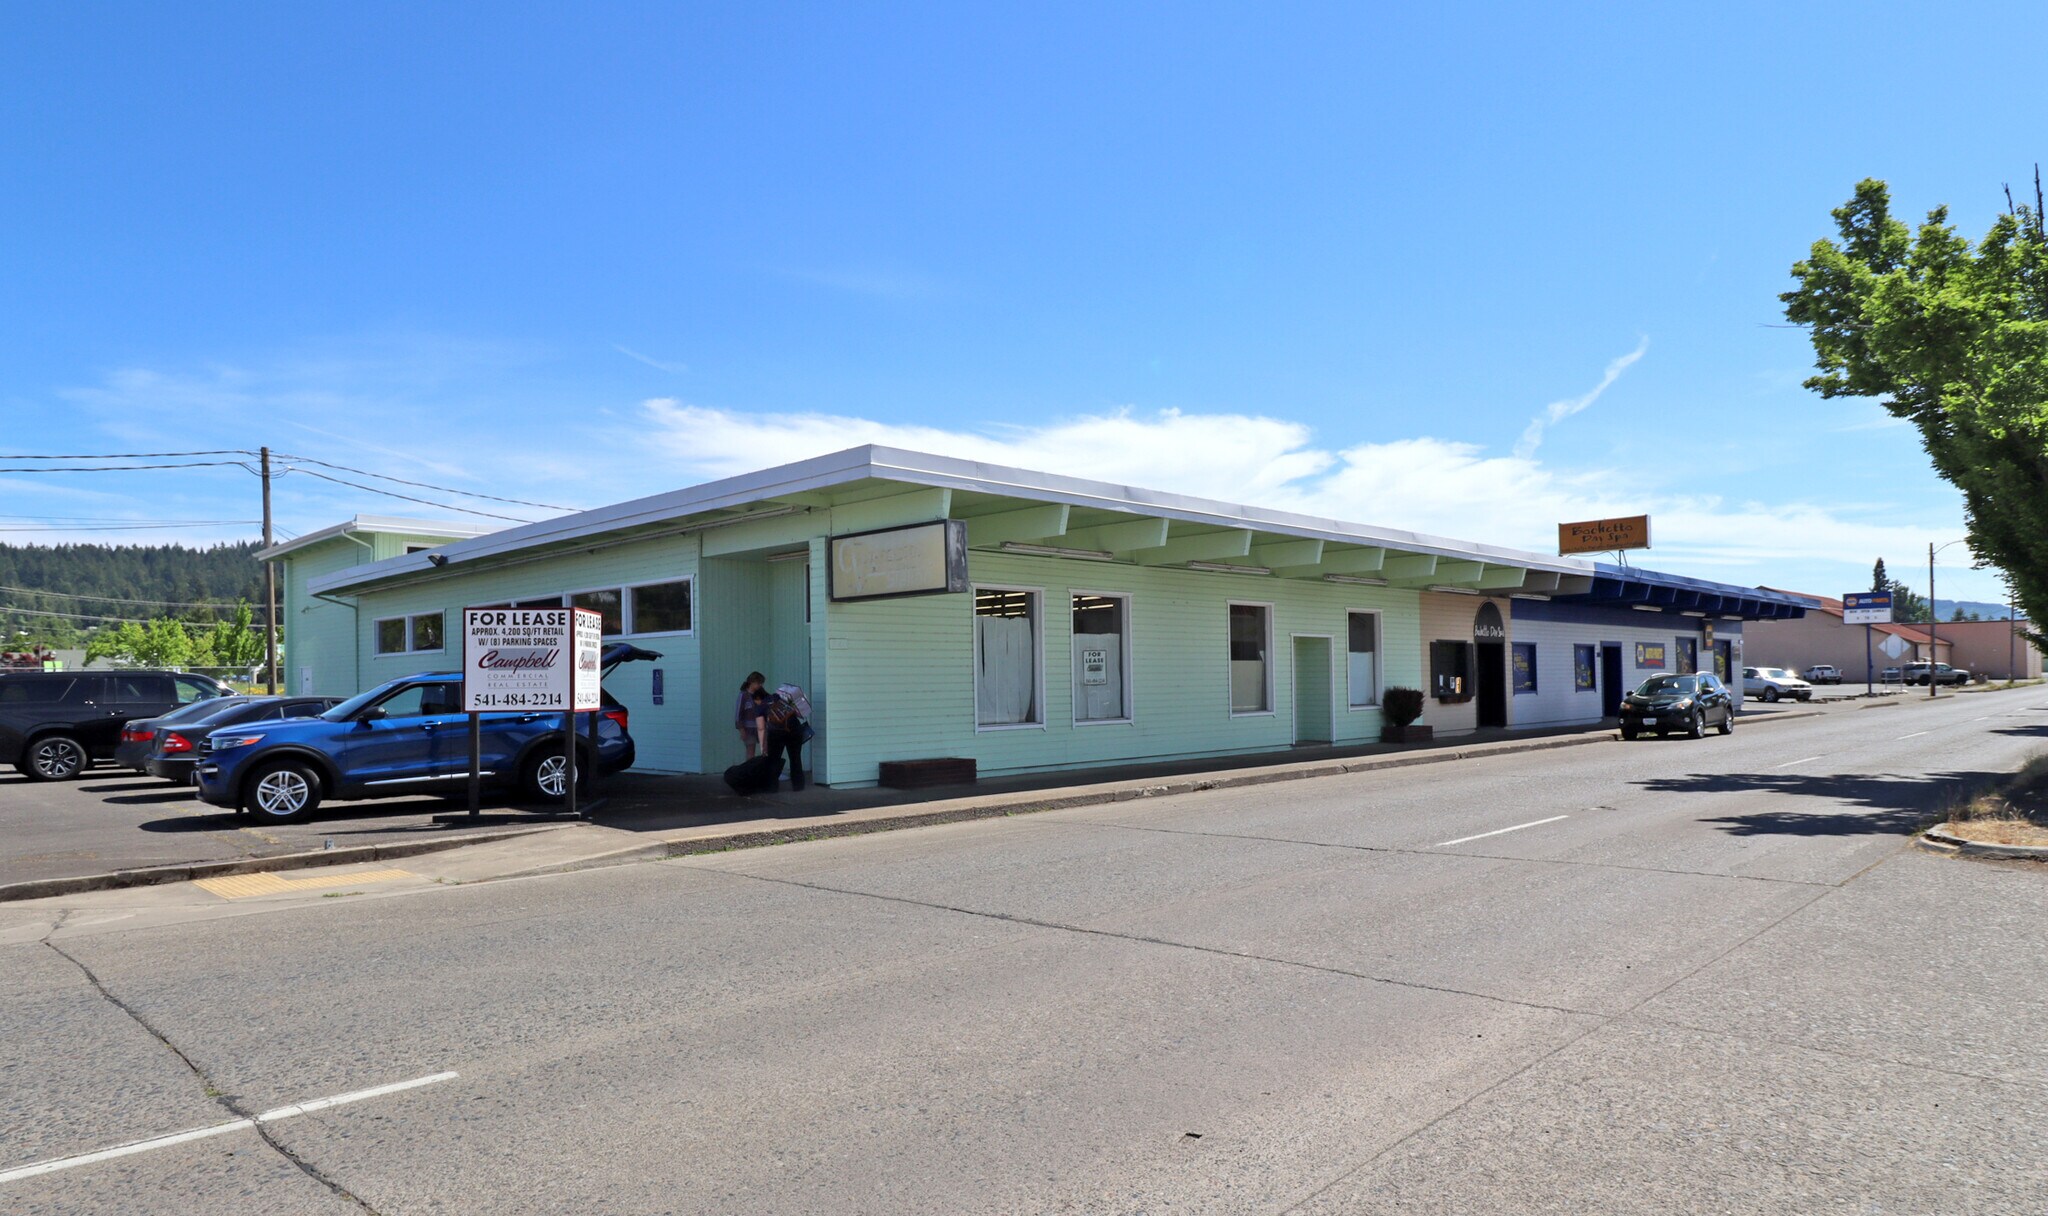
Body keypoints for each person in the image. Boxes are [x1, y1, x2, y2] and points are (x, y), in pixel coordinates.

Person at [763, 682, 811, 791]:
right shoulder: (791, 706)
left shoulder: (769, 705)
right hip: (794, 731)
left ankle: (772, 787)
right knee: (795, 758)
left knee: (774, 759)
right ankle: (798, 785)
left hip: (776, 733)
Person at [733, 672, 767, 759]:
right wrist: (741, 730)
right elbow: (738, 714)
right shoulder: (743, 695)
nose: (760, 685)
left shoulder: (761, 694)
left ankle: (764, 767)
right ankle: (750, 767)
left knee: (765, 750)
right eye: (759, 683)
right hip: (749, 729)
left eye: (761, 683)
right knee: (751, 752)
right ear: (752, 682)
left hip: (761, 728)